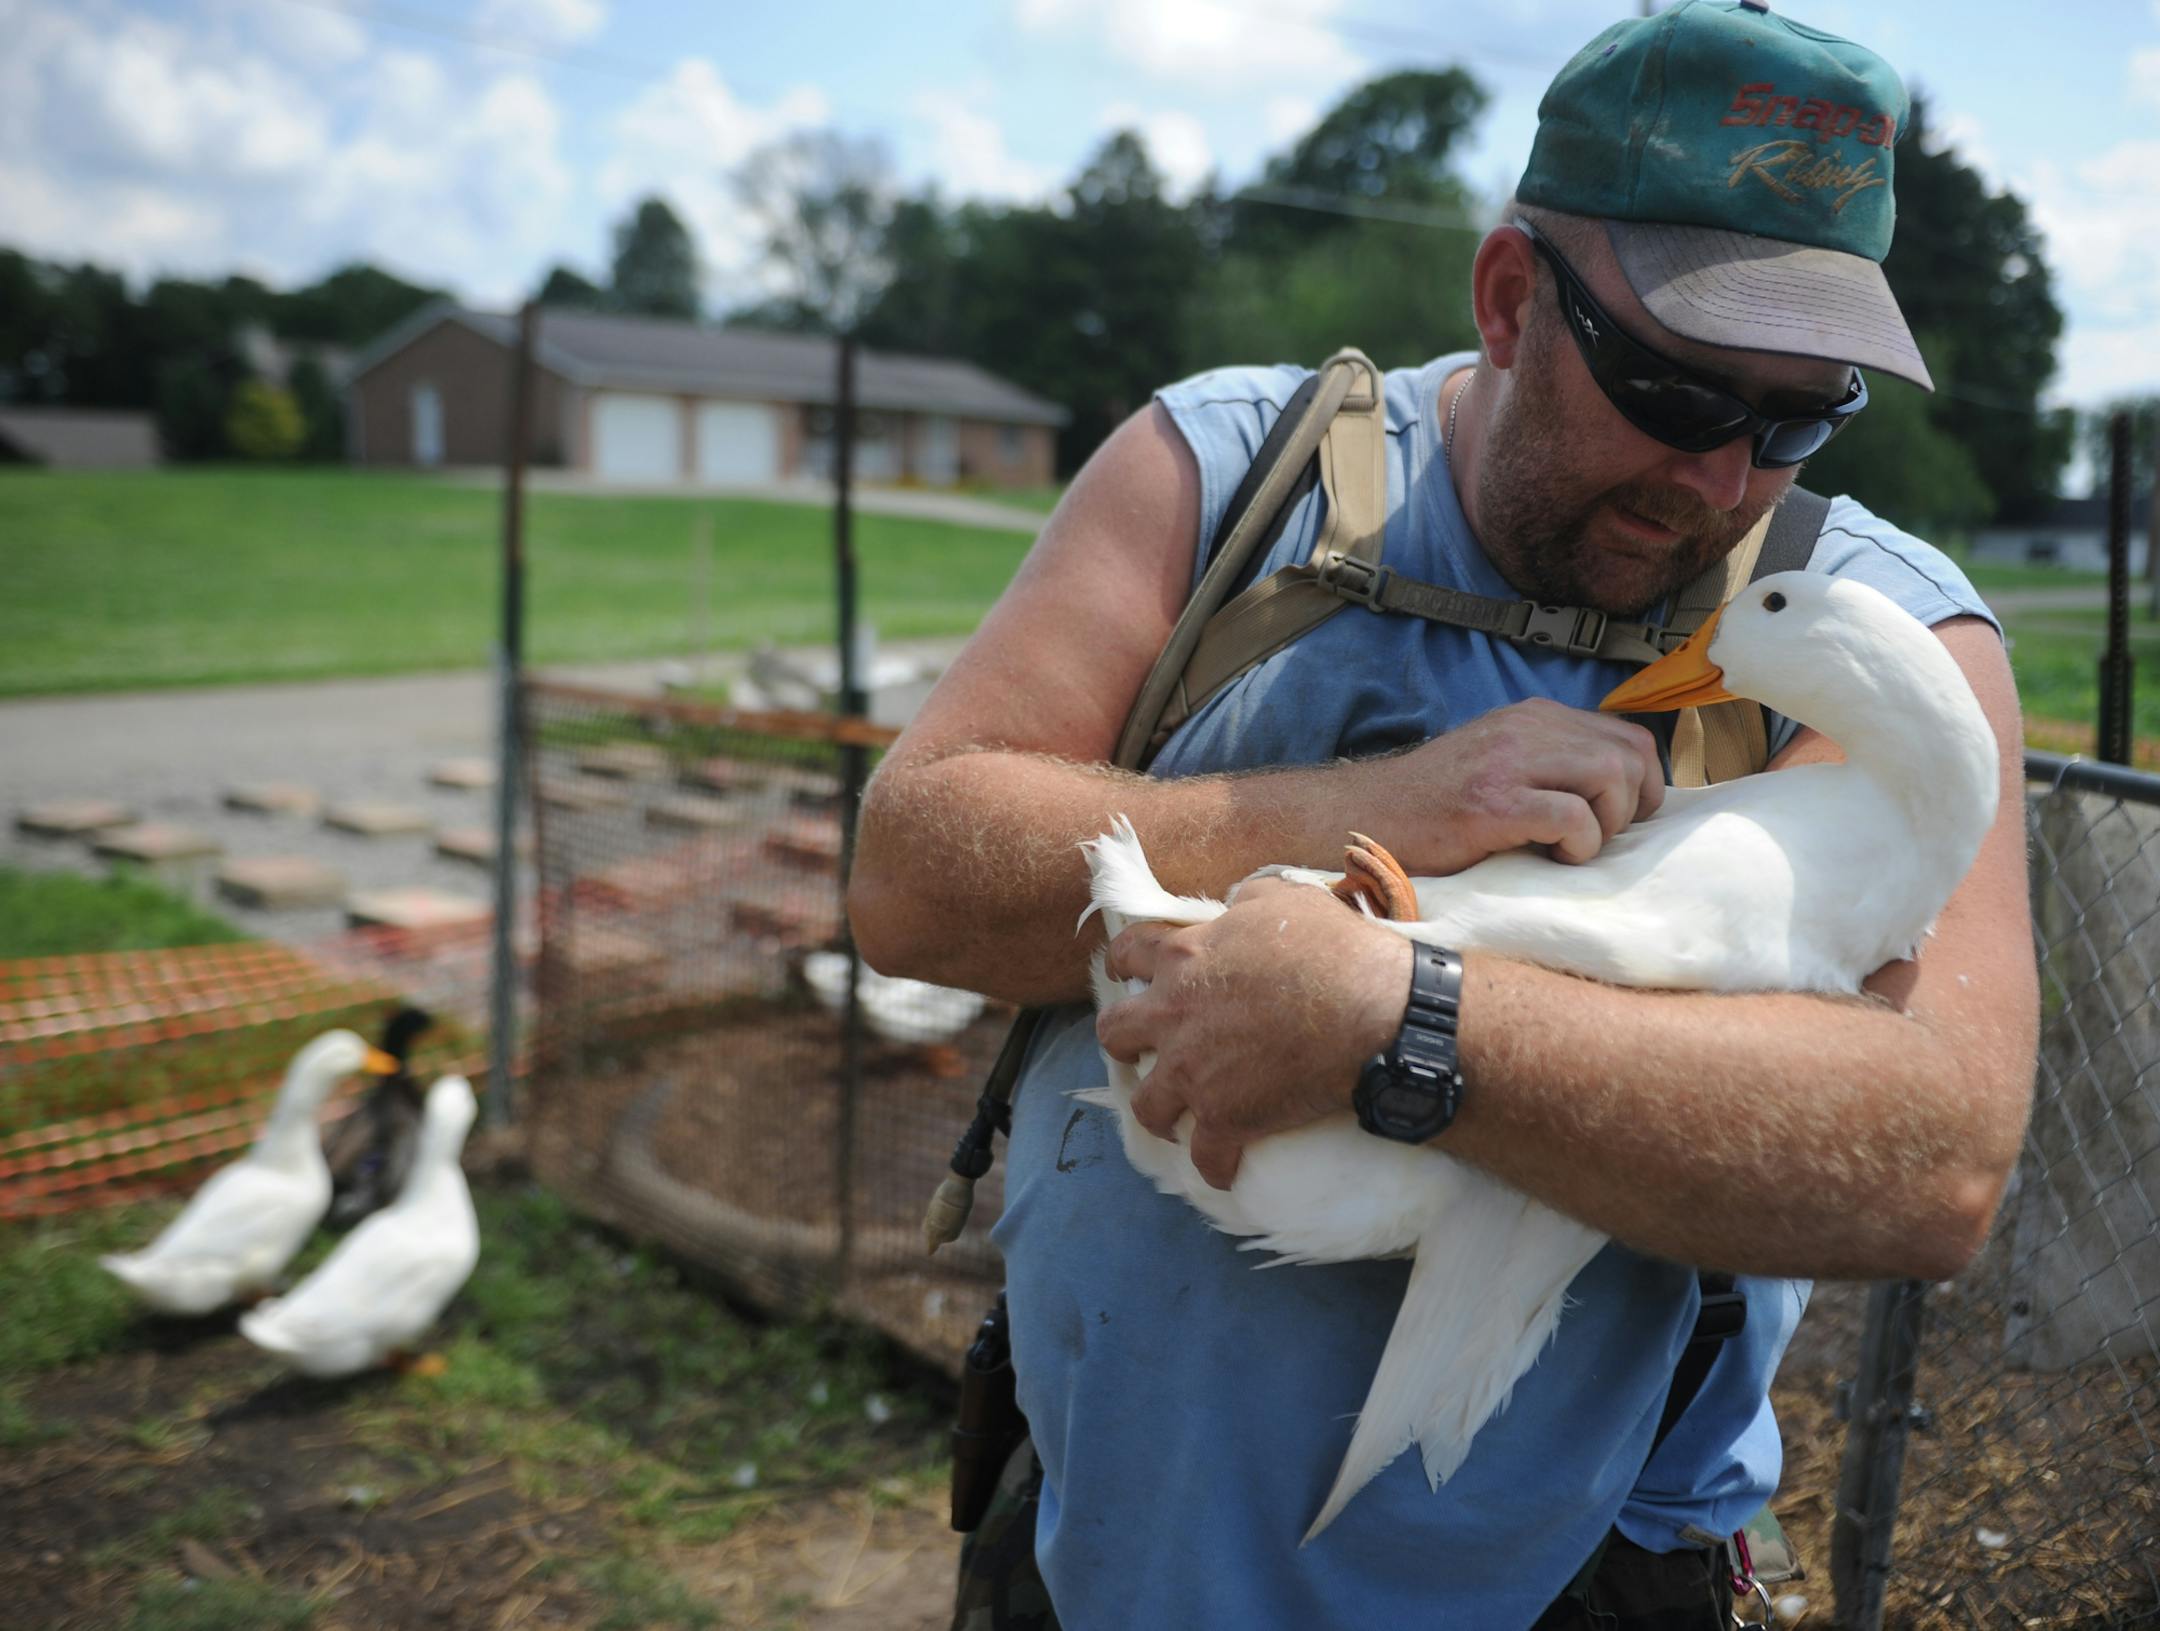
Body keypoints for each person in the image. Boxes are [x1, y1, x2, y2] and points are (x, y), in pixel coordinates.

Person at [849, 2, 2038, 1625]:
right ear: (1506, 299)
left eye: (1799, 415)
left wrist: (1396, 1019)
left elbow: (1930, 1160)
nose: (1722, 482)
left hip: (1586, 1589)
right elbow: (912, 883)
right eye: (1681, 392)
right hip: (1102, 1551)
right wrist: (1372, 809)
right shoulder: (1227, 476)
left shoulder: (1869, 627)